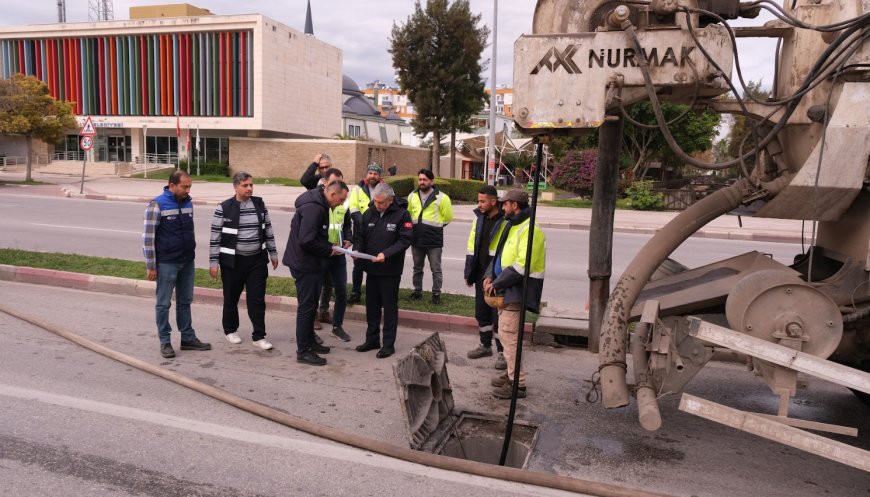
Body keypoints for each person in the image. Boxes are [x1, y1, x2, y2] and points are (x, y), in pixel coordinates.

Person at [143, 170, 212, 359]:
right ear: (172, 185)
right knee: (163, 304)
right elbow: (148, 238)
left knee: (185, 301)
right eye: (184, 186)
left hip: (187, 261)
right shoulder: (157, 204)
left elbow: (190, 231)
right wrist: (151, 265)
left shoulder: (188, 202)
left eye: (189, 186)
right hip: (166, 263)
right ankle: (165, 341)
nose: (188, 190)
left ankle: (187, 338)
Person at [484, 188, 546, 399]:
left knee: (510, 337)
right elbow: (500, 254)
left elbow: (521, 266)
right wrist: (490, 275)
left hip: (517, 290)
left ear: (515, 205)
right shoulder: (513, 224)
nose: (502, 207)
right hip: (507, 289)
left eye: (505, 204)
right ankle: (511, 375)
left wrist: (497, 282)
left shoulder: (530, 229)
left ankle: (517, 384)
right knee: (505, 333)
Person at [208, 172, 279, 350]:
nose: (249, 188)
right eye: (245, 185)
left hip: (256, 261)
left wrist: (273, 252)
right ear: (235, 187)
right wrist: (213, 262)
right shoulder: (223, 208)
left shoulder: (259, 204)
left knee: (257, 299)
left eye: (251, 185)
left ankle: (259, 336)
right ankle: (230, 330)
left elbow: (268, 229)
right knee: (231, 298)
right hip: (233, 263)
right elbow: (215, 237)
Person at [283, 180, 349, 366]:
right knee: (306, 308)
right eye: (342, 199)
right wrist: (329, 250)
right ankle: (303, 351)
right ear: (332, 194)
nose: (342, 203)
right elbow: (306, 240)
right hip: (304, 263)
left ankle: (310, 342)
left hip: (308, 261)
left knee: (311, 305)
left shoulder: (319, 201)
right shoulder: (315, 208)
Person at [353, 183, 413, 359]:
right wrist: (357, 250)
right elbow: (360, 236)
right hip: (371, 269)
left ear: (391, 200)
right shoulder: (369, 213)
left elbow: (405, 240)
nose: (377, 205)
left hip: (390, 271)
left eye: (381, 203)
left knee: (389, 308)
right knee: (371, 307)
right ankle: (372, 339)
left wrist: (386, 254)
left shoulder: (402, 214)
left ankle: (388, 344)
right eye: (375, 201)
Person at [464, 185, 507, 370]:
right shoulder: (479, 218)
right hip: (480, 272)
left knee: (497, 315)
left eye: (482, 201)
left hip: (497, 273)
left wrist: (495, 275)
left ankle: (503, 353)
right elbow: (472, 246)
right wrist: (469, 272)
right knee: (481, 312)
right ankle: (485, 345)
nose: (479, 204)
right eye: (478, 201)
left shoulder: (506, 220)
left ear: (493, 201)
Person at [407, 168, 453, 305]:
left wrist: (434, 228)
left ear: (431, 181)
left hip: (434, 240)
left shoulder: (442, 197)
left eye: (425, 180)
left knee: (436, 269)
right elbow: (408, 215)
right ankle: (417, 291)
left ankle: (436, 294)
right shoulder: (412, 196)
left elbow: (448, 217)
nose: (422, 182)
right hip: (416, 239)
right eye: (420, 179)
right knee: (417, 268)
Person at [318, 167, 352, 342]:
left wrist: (348, 239)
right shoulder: (317, 202)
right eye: (333, 183)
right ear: (326, 183)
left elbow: (347, 224)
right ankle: (310, 326)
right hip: (322, 254)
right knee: (315, 290)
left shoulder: (342, 202)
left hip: (338, 254)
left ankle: (337, 326)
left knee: (341, 292)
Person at [346, 163, 383, 304]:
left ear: (380, 176)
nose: (372, 176)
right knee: (358, 265)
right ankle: (356, 292)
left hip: (378, 234)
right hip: (360, 233)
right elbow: (353, 208)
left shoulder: (384, 189)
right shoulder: (357, 190)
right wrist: (365, 224)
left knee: (376, 264)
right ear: (366, 174)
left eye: (375, 173)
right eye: (370, 173)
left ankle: (375, 294)